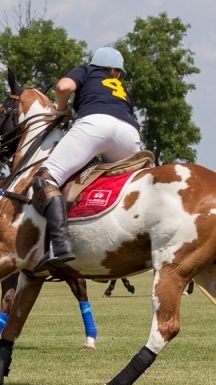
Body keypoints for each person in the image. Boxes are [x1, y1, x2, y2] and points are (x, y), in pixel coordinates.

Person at [31, 46, 142, 273]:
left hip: (95, 125)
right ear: (116, 71)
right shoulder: (122, 90)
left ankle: (59, 245)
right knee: (133, 186)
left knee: (45, 178)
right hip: (129, 133)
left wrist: (61, 109)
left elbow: (63, 87)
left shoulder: (87, 70)